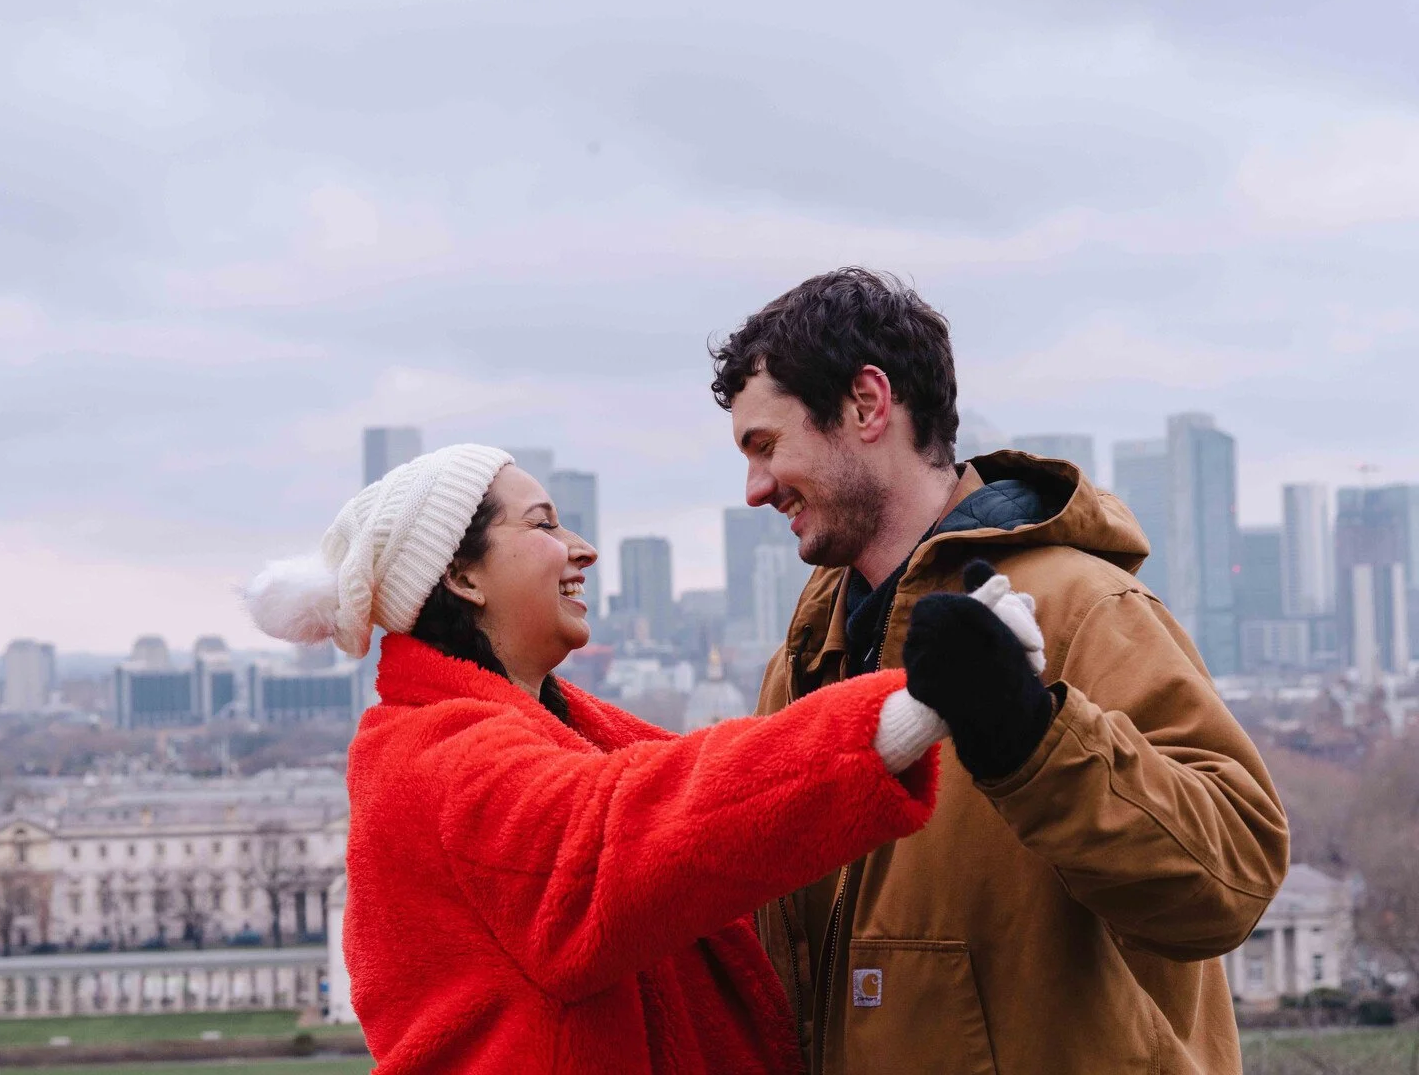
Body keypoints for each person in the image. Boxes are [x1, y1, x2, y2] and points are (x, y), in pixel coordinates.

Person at [241, 444, 1017, 1073]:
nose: (582, 549)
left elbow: (706, 797)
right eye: (543, 525)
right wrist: (906, 711)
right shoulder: (434, 757)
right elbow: (631, 833)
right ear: (462, 574)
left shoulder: (561, 727)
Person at [710, 268, 1289, 1075]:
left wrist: (1034, 741)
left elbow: (1231, 881)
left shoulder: (1085, 607)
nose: (755, 489)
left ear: (868, 405)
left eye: (766, 445)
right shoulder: (806, 661)